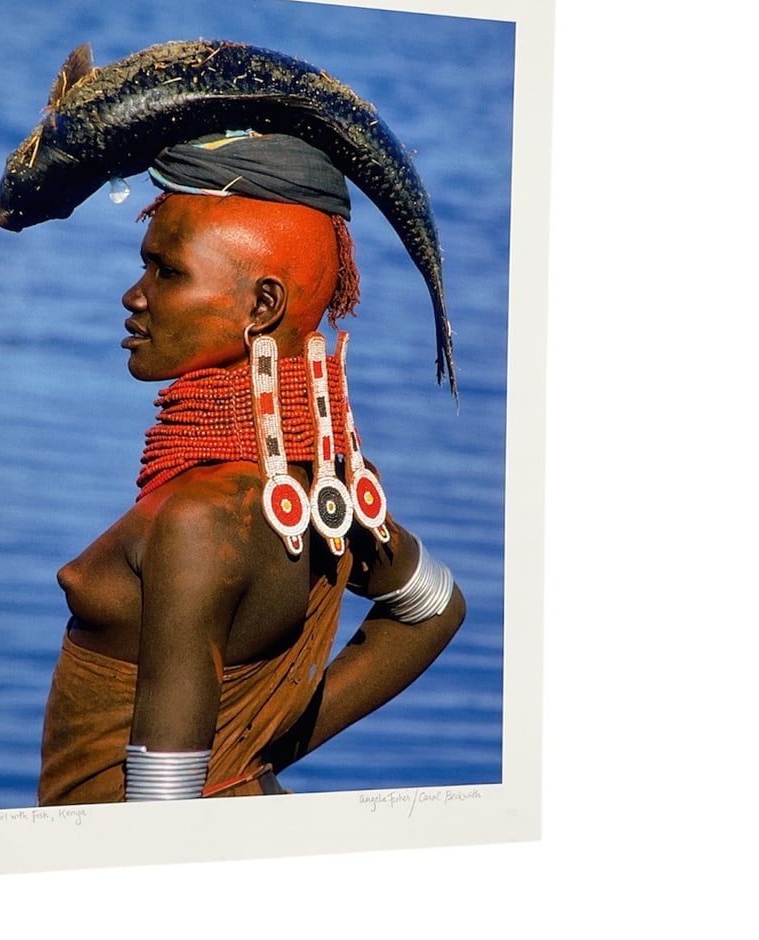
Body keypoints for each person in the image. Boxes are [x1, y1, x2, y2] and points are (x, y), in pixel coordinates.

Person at [35, 131, 465, 805]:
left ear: (262, 307)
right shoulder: (330, 479)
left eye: (166, 272)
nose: (134, 294)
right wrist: (249, 756)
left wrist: (237, 758)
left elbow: (163, 810)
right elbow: (433, 608)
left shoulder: (202, 520)